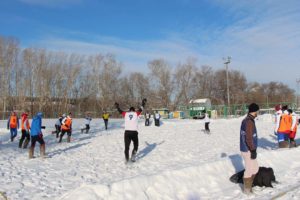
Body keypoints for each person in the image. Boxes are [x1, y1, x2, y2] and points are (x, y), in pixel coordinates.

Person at [115, 98, 147, 163]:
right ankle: (133, 156)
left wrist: (117, 106)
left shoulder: (126, 114)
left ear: (129, 110)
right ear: (134, 110)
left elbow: (120, 111)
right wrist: (143, 103)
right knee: (136, 145)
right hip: (134, 132)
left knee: (127, 147)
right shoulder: (136, 113)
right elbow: (141, 108)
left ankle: (127, 159)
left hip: (127, 132)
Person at [240, 103, 259, 194]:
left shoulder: (249, 120)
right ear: (254, 111)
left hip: (249, 149)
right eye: (257, 111)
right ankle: (247, 190)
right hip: (247, 150)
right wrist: (253, 149)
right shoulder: (248, 121)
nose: (258, 112)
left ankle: (249, 185)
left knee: (255, 168)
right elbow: (248, 138)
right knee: (249, 170)